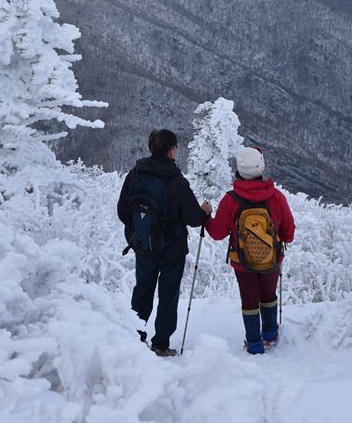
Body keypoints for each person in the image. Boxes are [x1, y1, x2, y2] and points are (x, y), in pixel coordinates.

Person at [117, 128, 211, 357]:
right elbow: (194, 219)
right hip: (172, 250)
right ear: (171, 151)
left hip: (144, 246)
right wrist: (204, 211)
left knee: (142, 291)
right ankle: (160, 344)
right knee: (168, 295)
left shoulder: (135, 174)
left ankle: (136, 337)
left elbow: (122, 210)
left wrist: (141, 229)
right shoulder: (177, 181)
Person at [205, 146, 295, 354]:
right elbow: (289, 233)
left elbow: (218, 233)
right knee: (268, 295)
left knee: (249, 300)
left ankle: (254, 343)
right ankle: (270, 335)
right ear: (261, 168)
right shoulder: (276, 197)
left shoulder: (231, 200)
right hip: (272, 259)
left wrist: (206, 219)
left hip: (242, 262)